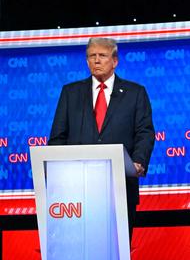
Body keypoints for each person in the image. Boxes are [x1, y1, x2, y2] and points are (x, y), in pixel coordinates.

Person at [49, 37, 155, 239]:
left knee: (118, 250)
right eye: (91, 56)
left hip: (120, 187)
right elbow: (57, 137)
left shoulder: (135, 92)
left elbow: (145, 132)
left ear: (115, 61)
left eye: (102, 56)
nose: (96, 60)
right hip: (76, 190)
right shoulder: (70, 92)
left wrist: (138, 161)